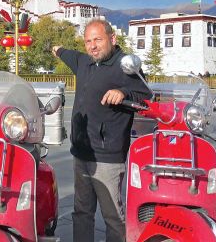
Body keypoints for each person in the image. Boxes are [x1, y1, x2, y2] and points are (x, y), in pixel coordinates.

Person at [52, 19, 151, 242]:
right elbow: (65, 52)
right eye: (88, 41)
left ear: (112, 39)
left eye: (98, 39)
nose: (92, 46)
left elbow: (147, 97)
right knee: (82, 212)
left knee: (113, 217)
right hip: (81, 152)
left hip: (108, 156)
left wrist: (124, 92)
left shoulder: (125, 65)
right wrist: (56, 49)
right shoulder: (83, 61)